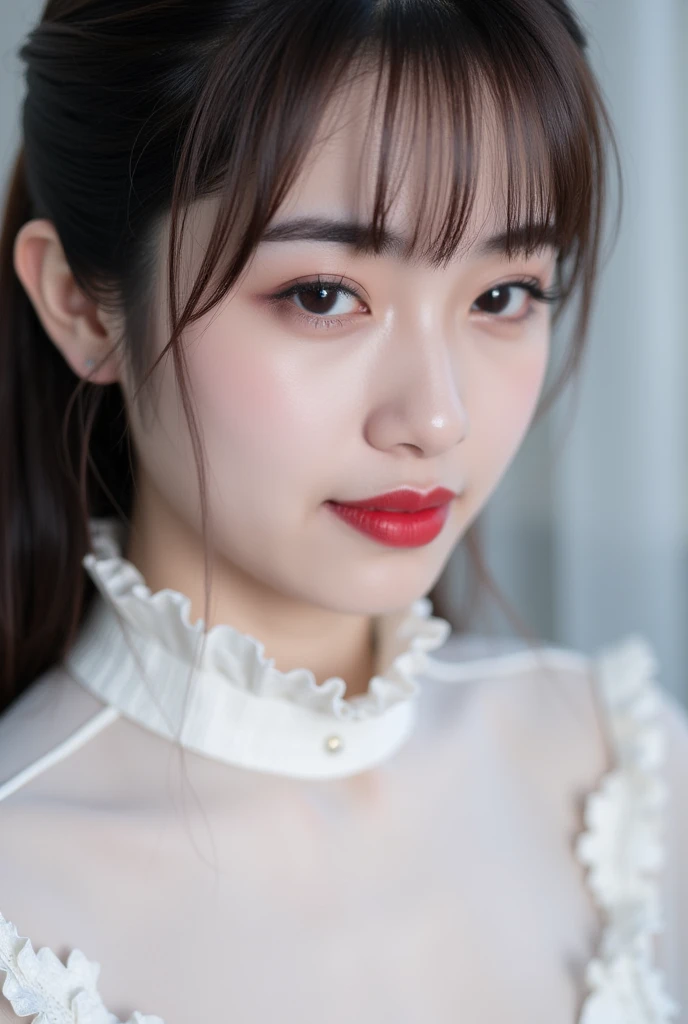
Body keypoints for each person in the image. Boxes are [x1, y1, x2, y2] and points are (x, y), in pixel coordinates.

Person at [0, 0, 686, 1021]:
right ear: (83, 304)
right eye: (323, 294)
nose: (437, 417)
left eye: (503, 295)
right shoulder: (24, 895)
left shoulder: (617, 771)